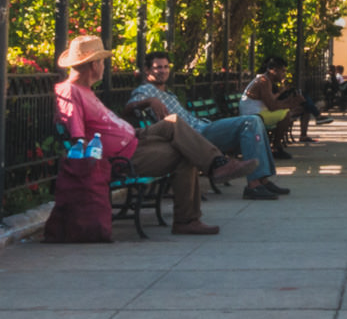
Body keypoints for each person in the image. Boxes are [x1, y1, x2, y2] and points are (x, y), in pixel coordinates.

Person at [53, 35, 256, 235]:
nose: (104, 67)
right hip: (124, 154)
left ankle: (218, 164)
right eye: (103, 62)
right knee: (186, 154)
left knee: (174, 121)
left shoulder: (85, 90)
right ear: (93, 65)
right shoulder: (70, 92)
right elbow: (77, 138)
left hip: (136, 137)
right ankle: (190, 214)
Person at [128, 51, 290, 201]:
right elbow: (129, 108)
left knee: (256, 120)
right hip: (194, 137)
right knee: (251, 121)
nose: (162, 71)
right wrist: (148, 101)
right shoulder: (146, 91)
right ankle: (254, 185)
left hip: (203, 127)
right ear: (147, 70)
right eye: (157, 68)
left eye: (165, 67)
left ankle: (263, 180)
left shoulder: (167, 93)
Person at [240, 56, 307, 159]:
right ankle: (275, 148)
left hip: (258, 113)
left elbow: (273, 103)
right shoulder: (263, 81)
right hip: (253, 116)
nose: (284, 74)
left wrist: (290, 102)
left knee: (286, 112)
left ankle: (276, 146)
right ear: (274, 70)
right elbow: (272, 106)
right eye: (283, 71)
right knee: (286, 114)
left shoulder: (266, 80)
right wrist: (291, 103)